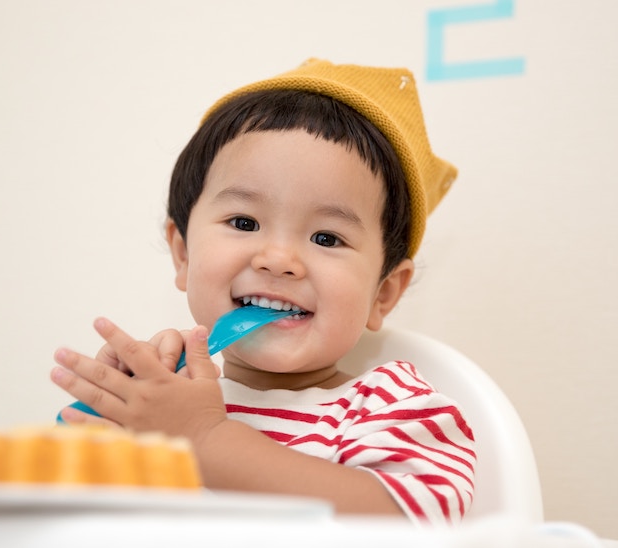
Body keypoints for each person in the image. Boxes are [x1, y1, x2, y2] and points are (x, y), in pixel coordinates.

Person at [50, 58, 475, 525]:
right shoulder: (164, 401)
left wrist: (204, 438)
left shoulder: (391, 406)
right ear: (184, 254)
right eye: (244, 222)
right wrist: (114, 427)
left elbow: (413, 526)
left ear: (383, 293)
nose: (276, 259)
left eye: (327, 238)